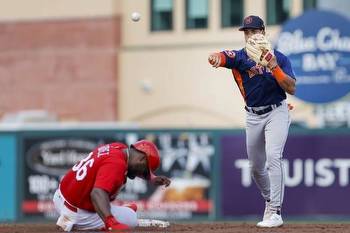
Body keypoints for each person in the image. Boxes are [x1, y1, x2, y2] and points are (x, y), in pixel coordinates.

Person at [208, 15, 296, 228]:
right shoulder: (241, 57)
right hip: (253, 115)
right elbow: (221, 56)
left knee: (274, 157)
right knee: (256, 167)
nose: (250, 35)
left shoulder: (280, 58)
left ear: (263, 32)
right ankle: (269, 200)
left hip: (277, 111)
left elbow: (291, 88)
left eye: (254, 31)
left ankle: (276, 211)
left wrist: (274, 66)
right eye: (247, 32)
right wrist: (214, 58)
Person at [53, 139, 171, 231]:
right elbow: (97, 193)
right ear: (141, 158)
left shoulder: (118, 147)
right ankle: (121, 213)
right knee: (131, 218)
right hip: (77, 214)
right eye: (144, 171)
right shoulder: (117, 164)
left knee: (113, 201)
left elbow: (126, 164)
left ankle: (120, 211)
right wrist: (110, 223)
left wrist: (151, 177)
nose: (139, 175)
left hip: (60, 196)